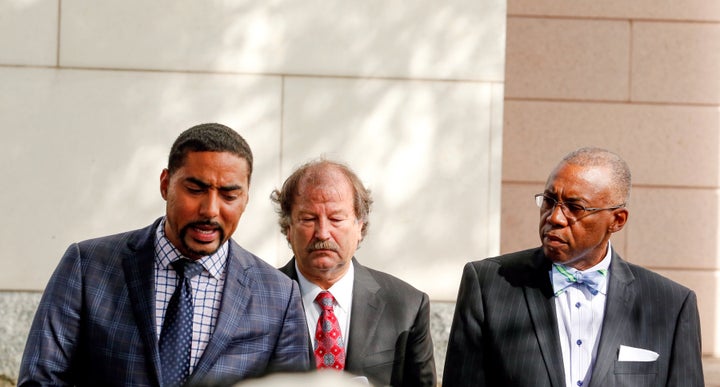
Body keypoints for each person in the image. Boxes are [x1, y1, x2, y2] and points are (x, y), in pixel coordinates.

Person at [18, 123, 310, 387]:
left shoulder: (278, 296)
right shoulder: (88, 266)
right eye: (195, 189)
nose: (210, 209)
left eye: (229, 195)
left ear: (245, 198)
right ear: (165, 184)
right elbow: (41, 380)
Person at [442, 147, 704, 387]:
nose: (555, 217)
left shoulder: (671, 305)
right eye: (548, 200)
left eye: (574, 207)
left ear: (617, 220)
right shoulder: (489, 284)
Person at [270, 159, 436, 386]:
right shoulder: (259, 299)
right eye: (309, 219)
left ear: (360, 227)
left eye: (336, 219)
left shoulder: (406, 305)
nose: (323, 233)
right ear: (288, 229)